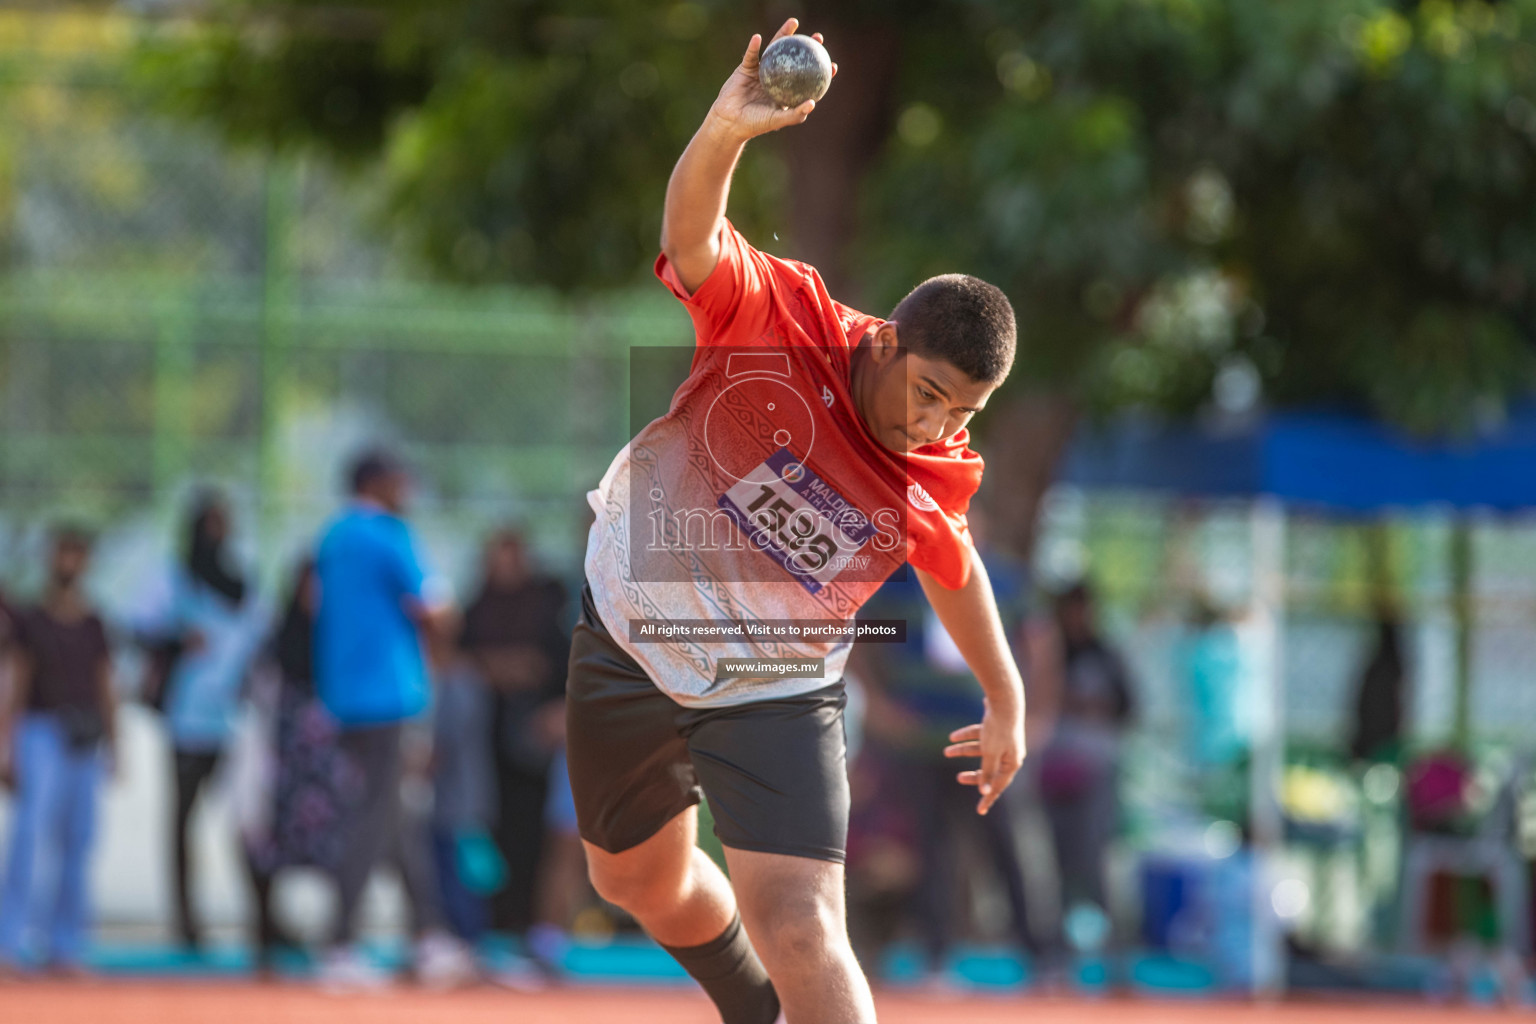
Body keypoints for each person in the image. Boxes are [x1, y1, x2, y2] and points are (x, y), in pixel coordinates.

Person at [566, 21, 1027, 1024]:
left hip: (775, 679)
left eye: (964, 412)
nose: (938, 422)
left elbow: (952, 567)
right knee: (634, 882)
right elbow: (692, 241)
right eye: (934, 391)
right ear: (888, 340)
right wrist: (726, 132)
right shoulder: (782, 319)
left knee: (806, 922)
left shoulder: (933, 465)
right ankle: (750, 1004)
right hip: (634, 630)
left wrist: (1005, 692)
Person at [853, 514, 1039, 987]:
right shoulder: (895, 578)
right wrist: (876, 699)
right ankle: (934, 953)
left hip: (985, 734)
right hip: (917, 739)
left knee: (1009, 844)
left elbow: (1038, 644)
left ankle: (1043, 955)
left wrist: (1027, 712)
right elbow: (868, 630)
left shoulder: (1006, 579)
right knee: (925, 849)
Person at [314, 450, 472, 989]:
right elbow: (435, 606)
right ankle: (339, 942)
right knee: (377, 815)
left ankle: (429, 937)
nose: (406, 488)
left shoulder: (333, 538)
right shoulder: (388, 535)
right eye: (399, 479)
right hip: (391, 695)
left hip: (346, 697)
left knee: (399, 817)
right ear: (377, 482)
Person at [141, 491, 265, 952]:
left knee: (247, 822)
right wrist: (176, 643)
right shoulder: (174, 578)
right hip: (186, 720)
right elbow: (138, 626)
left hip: (233, 723)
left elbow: (261, 636)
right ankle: (186, 924)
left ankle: (263, 918)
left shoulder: (242, 584)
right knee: (183, 823)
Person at [0, 527, 116, 976]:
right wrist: (6, 743)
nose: (69, 563)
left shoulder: (94, 623)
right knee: (29, 837)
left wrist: (115, 741)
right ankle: (9, 941)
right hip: (40, 732)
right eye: (63, 554)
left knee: (78, 841)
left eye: (77, 555)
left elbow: (106, 682)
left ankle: (65, 944)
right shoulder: (32, 621)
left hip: (83, 738)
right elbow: (16, 681)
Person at [241, 559, 355, 975]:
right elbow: (252, 689)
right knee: (263, 845)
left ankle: (338, 937)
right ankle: (266, 936)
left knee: (340, 848)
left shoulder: (344, 637)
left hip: (331, 763)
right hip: (283, 762)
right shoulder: (278, 638)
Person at [457, 530, 569, 955]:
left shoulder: (548, 612)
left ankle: (529, 925)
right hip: (481, 749)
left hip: (537, 749)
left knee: (538, 838)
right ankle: (487, 923)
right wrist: (497, 667)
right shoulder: (475, 612)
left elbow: (558, 667)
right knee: (484, 835)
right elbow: (457, 659)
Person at [1035, 582, 1133, 961]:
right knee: (1049, 859)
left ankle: (1111, 946)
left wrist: (1088, 706)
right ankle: (1054, 944)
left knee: (1095, 857)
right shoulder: (1049, 653)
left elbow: (1128, 707)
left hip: (1094, 771)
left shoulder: (1106, 655)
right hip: (1049, 769)